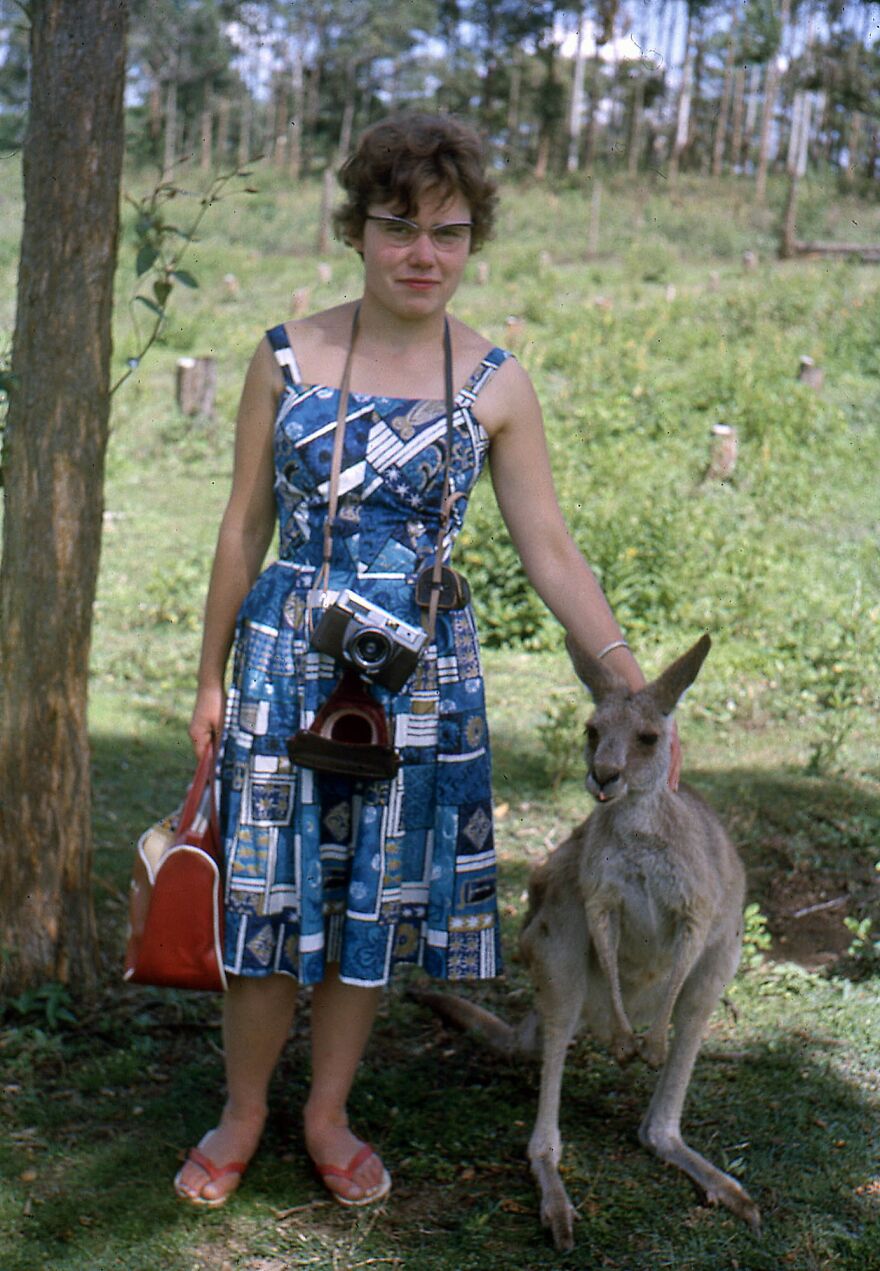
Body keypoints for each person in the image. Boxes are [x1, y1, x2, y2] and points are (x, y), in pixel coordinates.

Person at [173, 112, 681, 1209]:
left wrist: (631, 692)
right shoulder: (283, 358)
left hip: (416, 678)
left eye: (447, 234)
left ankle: (326, 1110)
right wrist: (209, 678)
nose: (422, 254)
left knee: (370, 902)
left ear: (470, 241)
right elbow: (239, 526)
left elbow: (548, 545)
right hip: (283, 664)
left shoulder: (495, 383)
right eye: (399, 227)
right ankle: (246, 1107)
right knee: (267, 900)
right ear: (356, 229)